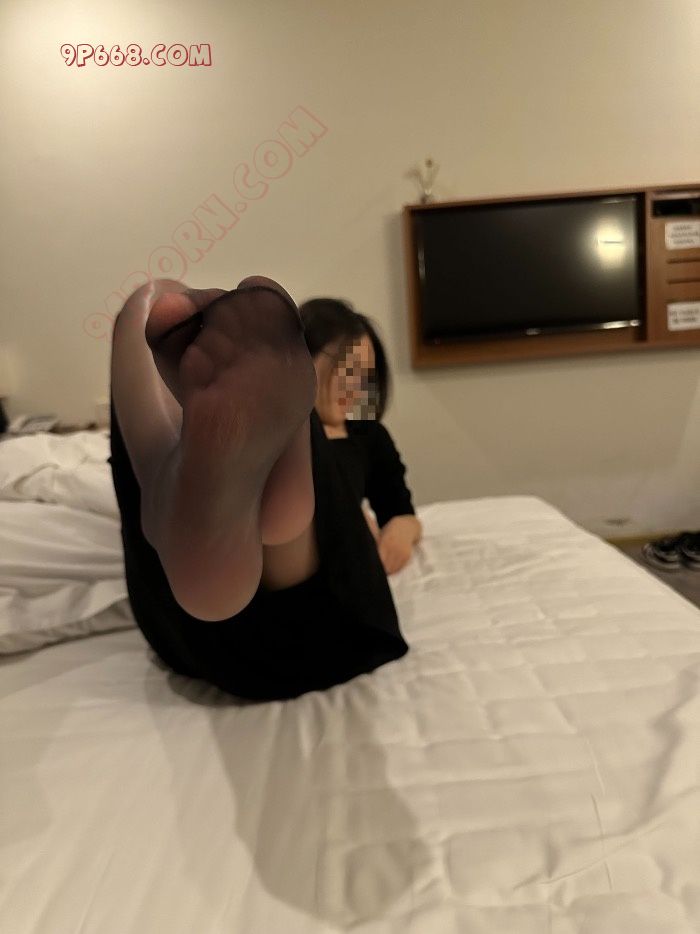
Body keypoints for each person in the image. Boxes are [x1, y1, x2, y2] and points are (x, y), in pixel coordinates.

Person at [107, 275, 421, 702]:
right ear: (309, 354)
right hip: (203, 635)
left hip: (326, 620)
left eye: (366, 375)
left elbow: (400, 510)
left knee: (156, 307)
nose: (357, 385)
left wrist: (398, 529)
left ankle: (224, 501)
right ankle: (192, 494)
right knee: (149, 302)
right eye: (347, 367)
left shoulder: (369, 437)